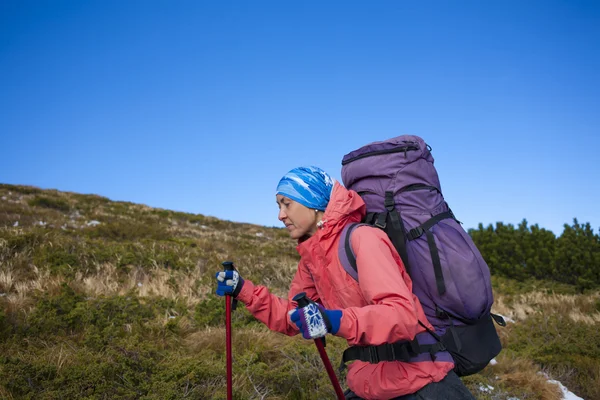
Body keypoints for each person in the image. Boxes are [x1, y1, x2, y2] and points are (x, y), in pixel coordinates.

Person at [215, 166, 475, 400]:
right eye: (278, 206)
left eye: (287, 204)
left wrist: (333, 320)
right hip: (369, 385)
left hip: (423, 384)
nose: (280, 215)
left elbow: (402, 315)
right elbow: (294, 317)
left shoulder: (363, 239)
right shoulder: (312, 259)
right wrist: (244, 291)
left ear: (314, 204)